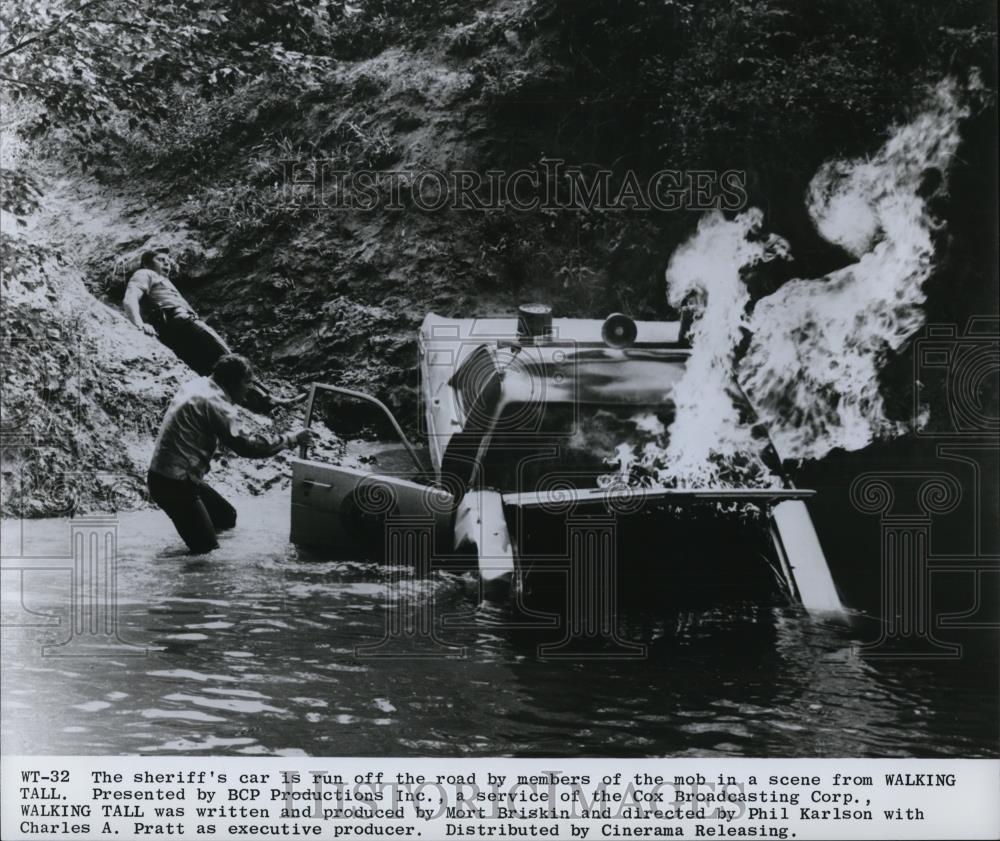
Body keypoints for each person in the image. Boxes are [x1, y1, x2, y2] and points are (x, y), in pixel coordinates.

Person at [147, 353, 315, 554]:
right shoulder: (215, 402)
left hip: (169, 476)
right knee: (207, 554)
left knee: (225, 516)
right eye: (247, 384)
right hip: (175, 483)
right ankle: (190, 550)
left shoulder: (201, 385)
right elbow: (247, 446)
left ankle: (192, 534)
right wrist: (291, 439)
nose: (248, 390)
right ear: (235, 382)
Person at [124, 250, 296, 413]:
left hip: (177, 329)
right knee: (229, 357)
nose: (167, 264)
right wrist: (139, 324)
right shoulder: (144, 274)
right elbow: (130, 297)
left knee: (211, 369)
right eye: (161, 260)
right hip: (181, 323)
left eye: (168, 261)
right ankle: (267, 397)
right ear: (146, 263)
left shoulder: (164, 281)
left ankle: (255, 403)